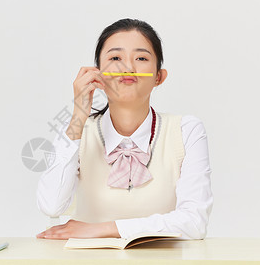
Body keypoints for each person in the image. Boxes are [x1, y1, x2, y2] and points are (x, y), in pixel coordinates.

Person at [36, 18, 213, 240]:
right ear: (97, 74)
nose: (128, 68)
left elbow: (194, 223)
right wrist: (78, 116)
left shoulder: (186, 131)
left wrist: (102, 229)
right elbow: (51, 206)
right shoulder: (77, 129)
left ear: (159, 76)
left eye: (141, 58)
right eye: (115, 58)